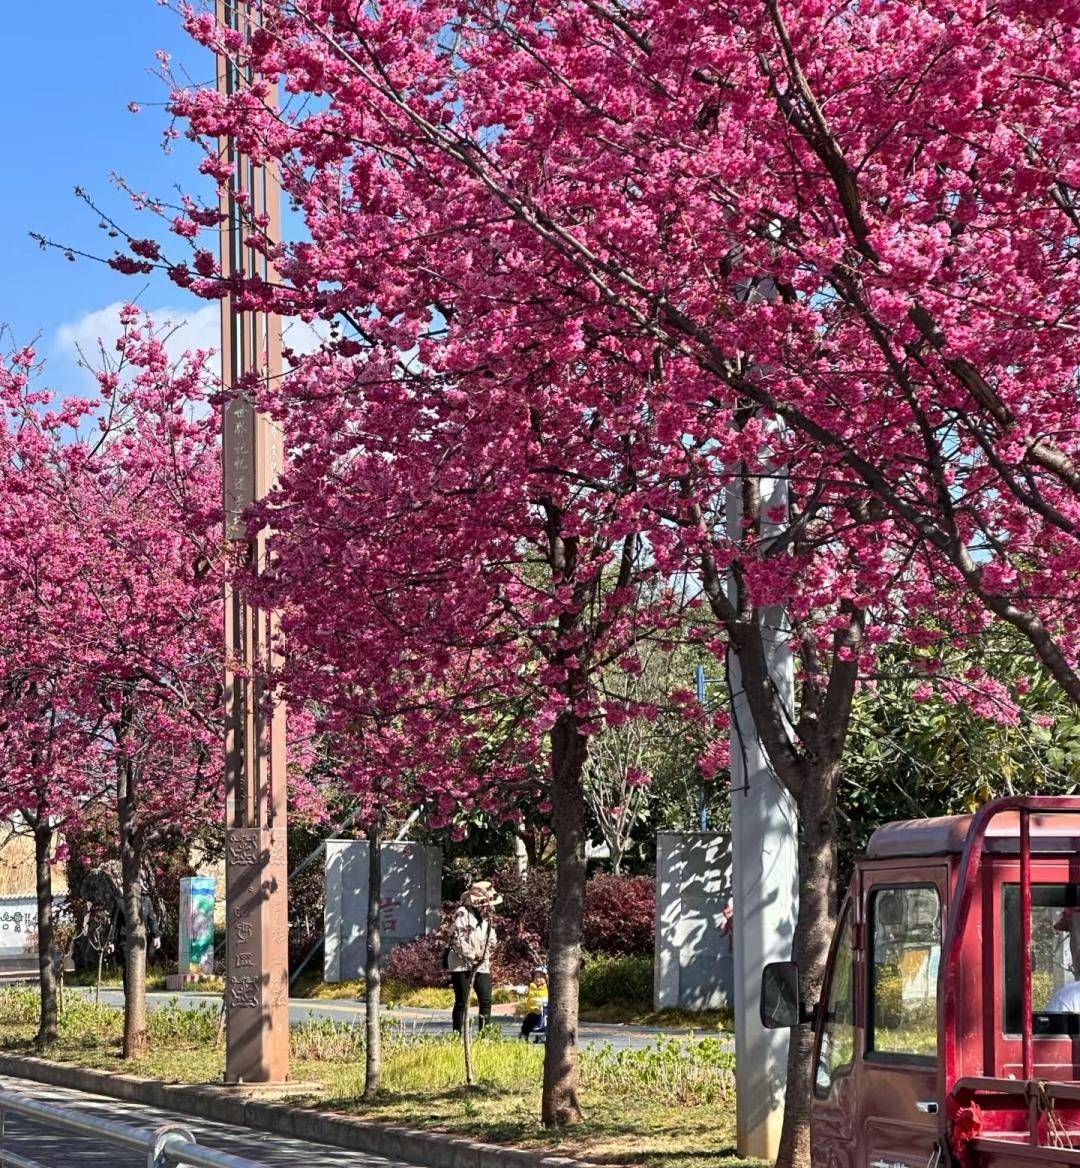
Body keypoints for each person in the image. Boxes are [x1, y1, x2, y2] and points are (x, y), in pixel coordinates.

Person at [448, 881, 500, 1033]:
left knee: (485, 999)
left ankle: (484, 1034)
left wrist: (484, 954)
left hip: (481, 963)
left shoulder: (486, 918)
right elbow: (457, 939)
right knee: (462, 1001)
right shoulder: (462, 913)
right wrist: (472, 955)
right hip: (461, 963)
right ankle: (457, 1035)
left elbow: (492, 939)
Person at [109, 891, 161, 993]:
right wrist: (111, 941)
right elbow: (114, 924)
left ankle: (139, 994)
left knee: (139, 965)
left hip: (141, 939)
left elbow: (152, 919)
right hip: (124, 939)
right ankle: (128, 994)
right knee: (128, 966)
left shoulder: (146, 901)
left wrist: (156, 936)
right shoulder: (121, 902)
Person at [520, 966, 548, 1039]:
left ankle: (544, 1033)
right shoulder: (531, 987)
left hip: (545, 1011)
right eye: (536, 977)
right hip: (533, 1011)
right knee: (528, 1021)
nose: (538, 979)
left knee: (545, 1019)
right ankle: (524, 1034)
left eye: (541, 977)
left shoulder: (547, 987)